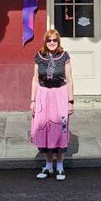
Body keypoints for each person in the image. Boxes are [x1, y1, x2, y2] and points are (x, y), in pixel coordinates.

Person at [30, 29, 74, 181]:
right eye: (49, 40)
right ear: (45, 41)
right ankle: (48, 166)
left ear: (58, 41)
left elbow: (69, 80)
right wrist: (33, 101)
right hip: (43, 95)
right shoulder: (39, 56)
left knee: (60, 127)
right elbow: (35, 79)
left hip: (60, 95)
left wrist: (70, 101)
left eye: (55, 40)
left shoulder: (64, 56)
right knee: (45, 129)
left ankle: (60, 167)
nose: (52, 42)